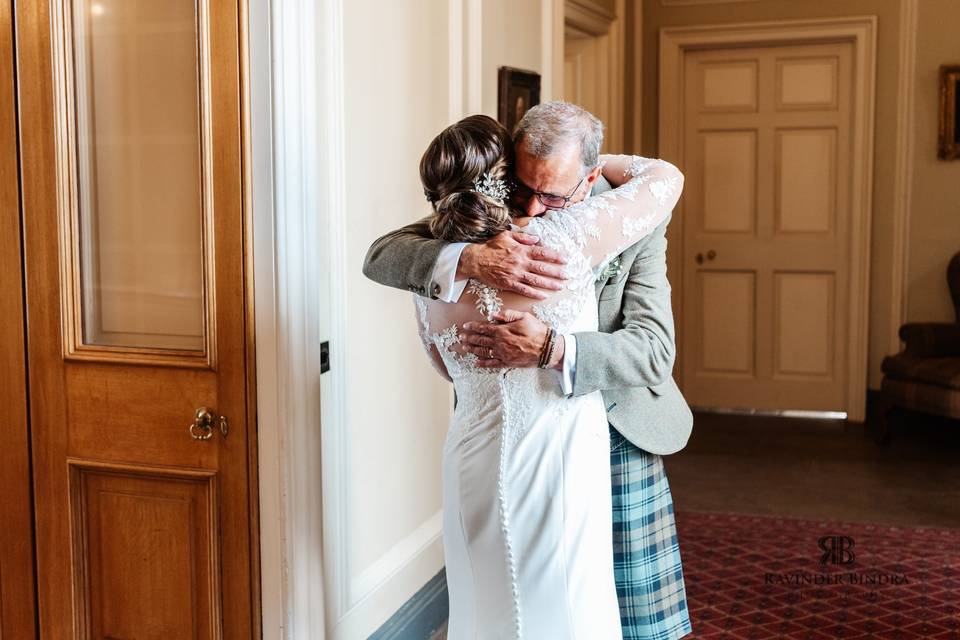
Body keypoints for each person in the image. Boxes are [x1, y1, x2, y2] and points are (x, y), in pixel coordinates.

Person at [364, 102, 693, 640]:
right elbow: (381, 255)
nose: (535, 210)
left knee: (634, 618)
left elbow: (654, 350)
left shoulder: (630, 218)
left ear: (590, 176)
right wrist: (466, 260)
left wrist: (555, 349)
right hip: (515, 435)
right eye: (522, 188)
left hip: (617, 426)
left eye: (555, 194)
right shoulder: (477, 219)